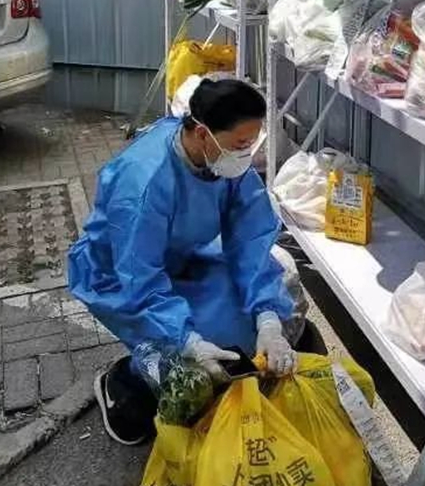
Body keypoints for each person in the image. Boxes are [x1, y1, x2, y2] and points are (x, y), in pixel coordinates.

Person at [68, 79, 305, 446]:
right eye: (240, 145)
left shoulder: (220, 160)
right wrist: (188, 341)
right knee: (196, 353)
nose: (247, 155)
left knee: (271, 301)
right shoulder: (144, 181)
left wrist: (269, 321)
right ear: (202, 133)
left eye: (251, 143)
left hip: (181, 257)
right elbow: (140, 278)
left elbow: (251, 240)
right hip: (117, 277)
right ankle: (125, 383)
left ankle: (190, 356)